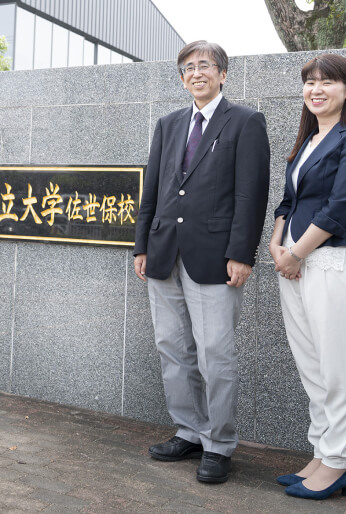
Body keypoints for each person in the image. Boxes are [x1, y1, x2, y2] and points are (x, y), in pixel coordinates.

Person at [133, 40, 270, 484]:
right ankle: (189, 430)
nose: (196, 73)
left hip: (215, 259)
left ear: (222, 74)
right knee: (172, 349)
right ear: (181, 77)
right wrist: (141, 246)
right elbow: (151, 190)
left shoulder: (245, 122)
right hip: (163, 254)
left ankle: (220, 444)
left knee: (215, 355)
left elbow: (251, 196)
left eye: (205, 66)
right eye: (188, 67)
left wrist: (242, 254)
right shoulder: (168, 124)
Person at [269, 53, 346, 500]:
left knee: (338, 366)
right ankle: (321, 452)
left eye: (327, 82)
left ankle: (338, 462)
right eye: (309, 82)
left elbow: (340, 207)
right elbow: (286, 204)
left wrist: (295, 252)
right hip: (292, 265)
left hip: (330, 263)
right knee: (312, 366)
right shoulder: (306, 143)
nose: (316, 89)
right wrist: (277, 248)